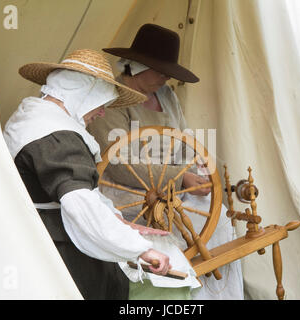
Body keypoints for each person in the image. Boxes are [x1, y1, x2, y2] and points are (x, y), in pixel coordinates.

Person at [3, 49, 199, 300]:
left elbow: (85, 194)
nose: (102, 113)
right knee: (159, 284)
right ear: (83, 95)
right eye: (101, 104)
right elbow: (80, 203)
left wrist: (119, 222)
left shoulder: (32, 117)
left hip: (42, 234)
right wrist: (140, 250)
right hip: (59, 249)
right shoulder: (57, 137)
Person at [88, 24, 244, 300]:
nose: (164, 77)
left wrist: (194, 173)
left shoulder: (167, 96)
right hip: (129, 194)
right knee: (187, 225)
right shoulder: (113, 99)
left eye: (167, 72)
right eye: (159, 70)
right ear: (136, 66)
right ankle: (186, 293)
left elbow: (184, 141)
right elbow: (118, 164)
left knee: (216, 213)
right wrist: (179, 178)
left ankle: (220, 294)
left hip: (171, 189)